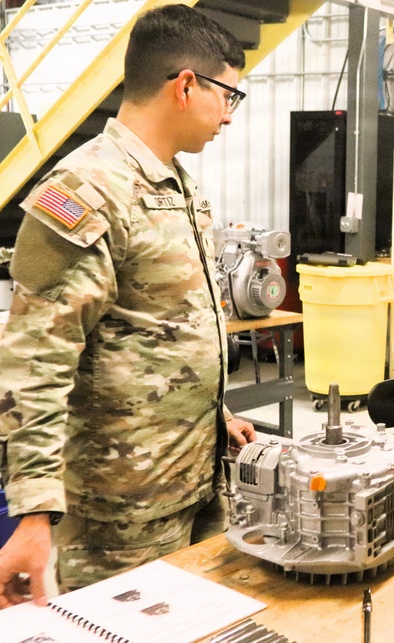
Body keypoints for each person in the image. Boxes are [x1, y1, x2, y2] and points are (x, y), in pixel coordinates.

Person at [0, 4, 257, 607]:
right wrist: (34, 514)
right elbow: (34, 362)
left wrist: (212, 413)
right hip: (119, 509)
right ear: (187, 85)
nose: (229, 115)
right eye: (229, 96)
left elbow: (156, 331)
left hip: (193, 481)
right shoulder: (83, 191)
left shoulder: (180, 185)